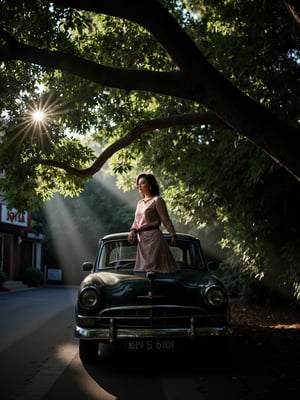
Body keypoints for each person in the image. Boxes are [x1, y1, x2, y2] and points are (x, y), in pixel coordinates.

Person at [128, 173, 179, 273]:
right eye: (138, 184)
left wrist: (173, 234)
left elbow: (165, 219)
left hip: (154, 239)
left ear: (150, 185)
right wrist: (132, 231)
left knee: (156, 270)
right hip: (142, 240)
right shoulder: (140, 203)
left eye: (143, 183)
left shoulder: (157, 200)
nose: (139, 186)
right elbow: (136, 221)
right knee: (143, 271)